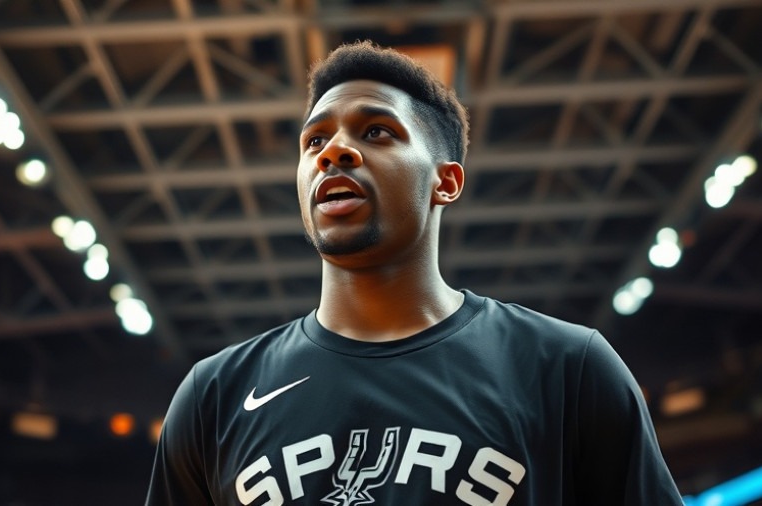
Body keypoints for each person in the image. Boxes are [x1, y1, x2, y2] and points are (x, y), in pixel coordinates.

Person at [145, 41, 683, 505]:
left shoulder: (566, 367)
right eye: (314, 141)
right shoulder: (214, 394)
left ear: (445, 182)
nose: (334, 151)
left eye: (377, 132)